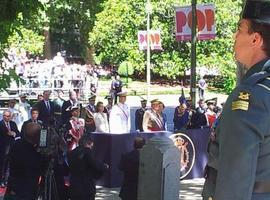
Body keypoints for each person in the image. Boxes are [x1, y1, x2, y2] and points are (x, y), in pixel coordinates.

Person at [202, 1, 270, 199]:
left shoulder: (251, 96)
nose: (234, 36)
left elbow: (236, 177)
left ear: (255, 39)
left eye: (240, 30)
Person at [3, 123, 46, 200]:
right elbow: (40, 168)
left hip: (13, 188)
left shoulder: (16, 144)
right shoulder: (35, 152)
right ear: (37, 136)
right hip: (25, 191)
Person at [68, 134, 108, 200]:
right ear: (87, 143)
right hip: (86, 187)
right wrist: (104, 167)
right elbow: (94, 165)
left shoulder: (71, 153)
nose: (91, 147)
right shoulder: (87, 152)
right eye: (91, 146)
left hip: (74, 187)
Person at [0, 111, 20, 187]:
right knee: (2, 165)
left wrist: (14, 134)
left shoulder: (13, 124)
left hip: (12, 147)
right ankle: (1, 180)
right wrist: (7, 133)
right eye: (5, 116)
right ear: (3, 116)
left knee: (9, 165)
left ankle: (6, 180)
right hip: (3, 148)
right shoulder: (0, 124)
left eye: (8, 116)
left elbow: (18, 133)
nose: (7, 117)